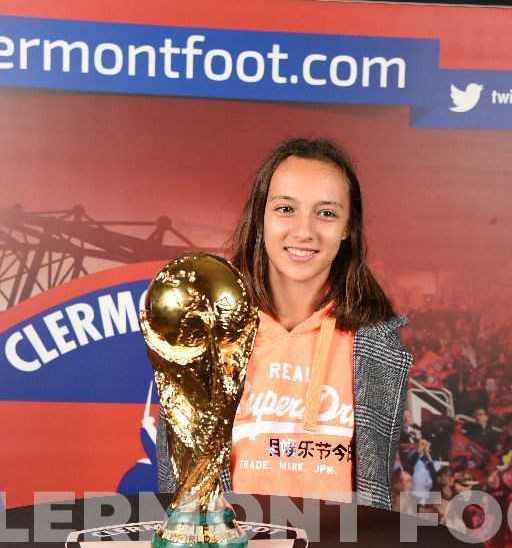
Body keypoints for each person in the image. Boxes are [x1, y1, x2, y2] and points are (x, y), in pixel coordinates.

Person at [156, 137, 413, 509]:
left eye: (326, 213)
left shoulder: (378, 346)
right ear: (260, 216)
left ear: (347, 229)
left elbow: (375, 492)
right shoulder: (205, 335)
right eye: (286, 208)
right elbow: (178, 486)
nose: (304, 231)